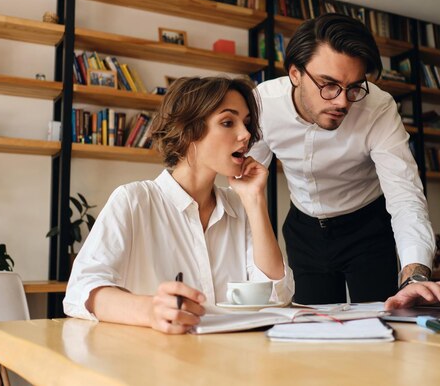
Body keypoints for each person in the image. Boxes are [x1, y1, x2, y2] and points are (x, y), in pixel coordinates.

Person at [249, 13, 440, 309]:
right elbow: (244, 182)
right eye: (328, 84)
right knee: (313, 332)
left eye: (354, 87)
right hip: (304, 228)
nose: (342, 102)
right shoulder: (263, 103)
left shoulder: (378, 107)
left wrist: (415, 278)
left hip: (367, 227)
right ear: (295, 73)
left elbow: (405, 195)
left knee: (384, 321)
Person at [64, 77, 294, 334]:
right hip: (158, 363)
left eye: (247, 123)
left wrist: (255, 200)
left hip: (232, 360)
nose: (246, 134)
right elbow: (81, 291)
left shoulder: (240, 206)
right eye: (228, 122)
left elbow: (277, 295)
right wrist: (151, 310)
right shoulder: (134, 200)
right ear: (190, 130)